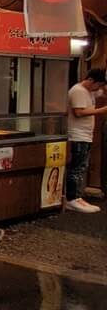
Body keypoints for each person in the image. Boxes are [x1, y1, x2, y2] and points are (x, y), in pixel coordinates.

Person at [65, 67, 107, 213]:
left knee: (82, 167)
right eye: (98, 84)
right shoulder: (78, 91)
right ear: (90, 80)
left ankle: (77, 197)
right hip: (77, 134)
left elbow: (102, 91)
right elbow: (79, 112)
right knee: (76, 168)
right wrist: (101, 110)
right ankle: (72, 199)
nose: (99, 88)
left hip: (85, 134)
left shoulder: (89, 91)